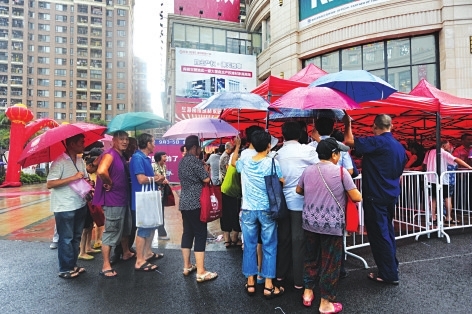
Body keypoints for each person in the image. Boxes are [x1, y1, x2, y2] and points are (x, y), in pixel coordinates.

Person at [296, 138, 361, 313]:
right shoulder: (341, 172)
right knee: (330, 262)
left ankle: (308, 293)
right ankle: (325, 302)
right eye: (338, 153)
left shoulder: (308, 170)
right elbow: (356, 197)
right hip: (332, 224)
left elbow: (298, 190)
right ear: (334, 155)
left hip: (309, 221)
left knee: (311, 257)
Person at [343, 113, 407, 285]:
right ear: (391, 126)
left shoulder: (377, 141)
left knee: (379, 234)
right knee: (387, 231)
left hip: (376, 195)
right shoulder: (399, 147)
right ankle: (391, 267)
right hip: (390, 194)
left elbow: (349, 140)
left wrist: (348, 123)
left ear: (374, 126)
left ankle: (388, 273)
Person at [232, 130, 285, 299]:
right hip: (267, 209)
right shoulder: (271, 163)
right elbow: (282, 180)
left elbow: (233, 163)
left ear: (253, 144)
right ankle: (268, 285)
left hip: (248, 209)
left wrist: (237, 146)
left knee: (249, 245)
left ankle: (250, 282)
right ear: (269, 145)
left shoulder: (245, 160)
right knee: (269, 245)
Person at [274, 121, 318, 290]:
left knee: (283, 238)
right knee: (298, 240)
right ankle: (299, 281)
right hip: (300, 201)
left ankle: (280, 274)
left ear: (283, 135)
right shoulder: (307, 151)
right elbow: (322, 161)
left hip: (281, 202)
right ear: (300, 135)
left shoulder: (277, 154)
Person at [92, 131, 135, 278]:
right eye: (121, 139)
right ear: (114, 141)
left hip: (122, 199)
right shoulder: (110, 154)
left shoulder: (120, 156)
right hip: (113, 201)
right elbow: (101, 171)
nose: (125, 142)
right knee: (111, 231)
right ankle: (106, 265)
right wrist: (109, 182)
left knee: (124, 229)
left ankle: (126, 252)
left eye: (126, 139)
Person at [46, 134, 88, 279]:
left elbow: (84, 178)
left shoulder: (80, 160)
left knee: (76, 237)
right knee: (66, 238)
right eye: (81, 142)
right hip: (64, 206)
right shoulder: (59, 161)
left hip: (80, 203)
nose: (84, 144)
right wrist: (73, 178)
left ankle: (73, 265)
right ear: (71, 144)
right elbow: (50, 183)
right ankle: (65, 268)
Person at [178, 135, 217, 282]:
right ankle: (201, 271)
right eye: (199, 148)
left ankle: (187, 266)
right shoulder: (195, 161)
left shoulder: (182, 161)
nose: (200, 150)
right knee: (200, 234)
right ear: (195, 148)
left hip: (184, 203)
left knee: (187, 233)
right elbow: (206, 179)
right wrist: (205, 169)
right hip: (196, 203)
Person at [130, 133, 166, 272]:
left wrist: (155, 178)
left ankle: (147, 253)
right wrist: (155, 179)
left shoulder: (143, 157)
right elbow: (141, 179)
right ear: (148, 144)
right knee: (144, 227)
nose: (155, 145)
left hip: (147, 197)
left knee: (151, 226)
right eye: (153, 142)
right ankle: (140, 260)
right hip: (142, 198)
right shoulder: (138, 157)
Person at [423, 140, 472, 224]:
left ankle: (433, 216)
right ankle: (448, 218)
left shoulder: (430, 152)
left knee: (433, 197)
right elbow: (456, 160)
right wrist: (469, 167)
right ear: (444, 145)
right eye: (448, 145)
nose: (449, 147)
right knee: (447, 198)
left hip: (431, 178)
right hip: (443, 179)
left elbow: (424, 163)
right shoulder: (443, 153)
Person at [219, 142, 242, 248]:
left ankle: (227, 240)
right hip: (234, 192)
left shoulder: (232, 161)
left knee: (225, 214)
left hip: (224, 189)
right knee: (236, 214)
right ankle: (234, 239)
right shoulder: (239, 165)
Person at [153, 151, 170, 240]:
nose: (166, 158)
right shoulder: (153, 166)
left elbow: (164, 176)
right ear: (159, 157)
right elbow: (153, 178)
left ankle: (161, 231)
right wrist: (160, 180)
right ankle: (160, 231)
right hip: (155, 193)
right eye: (164, 156)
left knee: (161, 211)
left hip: (162, 192)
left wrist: (165, 180)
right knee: (156, 212)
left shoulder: (164, 166)